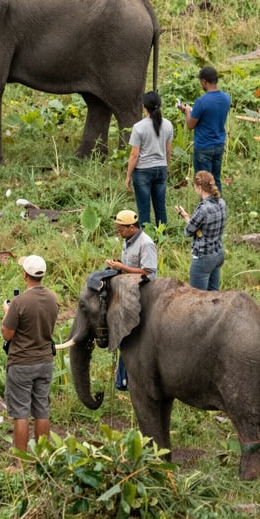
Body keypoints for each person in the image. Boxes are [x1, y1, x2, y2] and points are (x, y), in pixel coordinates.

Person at [1, 255, 59, 469]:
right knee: (42, 409)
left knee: (21, 413)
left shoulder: (19, 302)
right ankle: (43, 460)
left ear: (25, 275)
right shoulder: (53, 298)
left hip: (22, 362)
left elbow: (7, 334)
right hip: (45, 360)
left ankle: (20, 463)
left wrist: (8, 312)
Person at [105, 209, 158, 390]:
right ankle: (123, 379)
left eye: (121, 229)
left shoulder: (146, 244)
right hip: (127, 291)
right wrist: (117, 266)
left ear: (132, 227)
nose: (119, 232)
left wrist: (122, 267)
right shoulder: (127, 240)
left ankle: (125, 380)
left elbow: (148, 272)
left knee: (130, 336)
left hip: (142, 293)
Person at [178, 65, 231, 193]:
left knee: (204, 183)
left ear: (204, 81)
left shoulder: (201, 102)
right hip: (219, 145)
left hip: (204, 147)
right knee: (215, 179)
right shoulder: (226, 98)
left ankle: (207, 205)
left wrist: (187, 112)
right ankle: (218, 204)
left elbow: (190, 125)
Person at [125, 91, 173, 228]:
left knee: (144, 209)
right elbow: (168, 151)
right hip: (161, 169)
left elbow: (134, 155)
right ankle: (162, 235)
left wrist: (128, 176)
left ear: (144, 106)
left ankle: (146, 236)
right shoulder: (168, 125)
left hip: (143, 171)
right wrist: (166, 167)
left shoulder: (139, 127)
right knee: (160, 207)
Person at [175, 170, 227, 291]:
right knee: (214, 294)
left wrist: (185, 217)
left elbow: (188, 231)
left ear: (199, 188)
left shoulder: (203, 209)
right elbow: (200, 227)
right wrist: (186, 215)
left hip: (204, 257)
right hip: (218, 253)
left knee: (197, 296)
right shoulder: (221, 202)